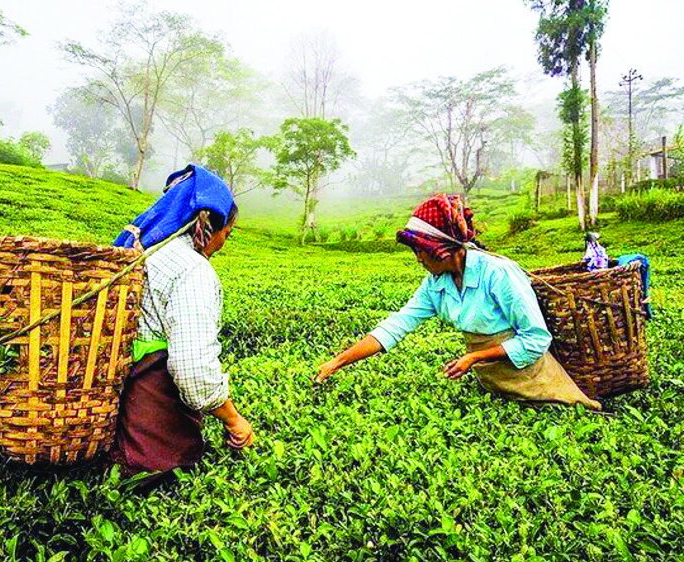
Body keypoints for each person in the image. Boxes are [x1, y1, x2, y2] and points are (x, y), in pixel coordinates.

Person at [315, 193, 601, 411]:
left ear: (442, 249)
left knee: (566, 410)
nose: (418, 258)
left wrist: (475, 357)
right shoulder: (436, 285)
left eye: (421, 250)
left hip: (536, 381)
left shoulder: (498, 274)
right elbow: (396, 326)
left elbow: (537, 339)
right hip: (493, 385)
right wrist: (339, 361)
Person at [109, 164, 254, 479]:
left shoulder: (144, 254)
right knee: (163, 476)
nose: (222, 244)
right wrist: (234, 419)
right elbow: (192, 369)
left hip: (113, 410)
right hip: (149, 434)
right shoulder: (191, 270)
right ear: (209, 225)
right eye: (226, 234)